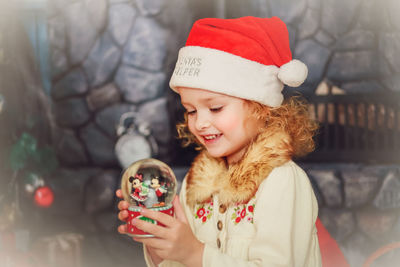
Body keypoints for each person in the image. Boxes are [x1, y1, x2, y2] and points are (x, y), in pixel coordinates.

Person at [117, 16, 322, 266]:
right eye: (191, 111)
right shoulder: (196, 184)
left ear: (261, 108)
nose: (200, 123)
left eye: (215, 108)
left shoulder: (281, 180)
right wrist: (162, 242)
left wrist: (194, 253)